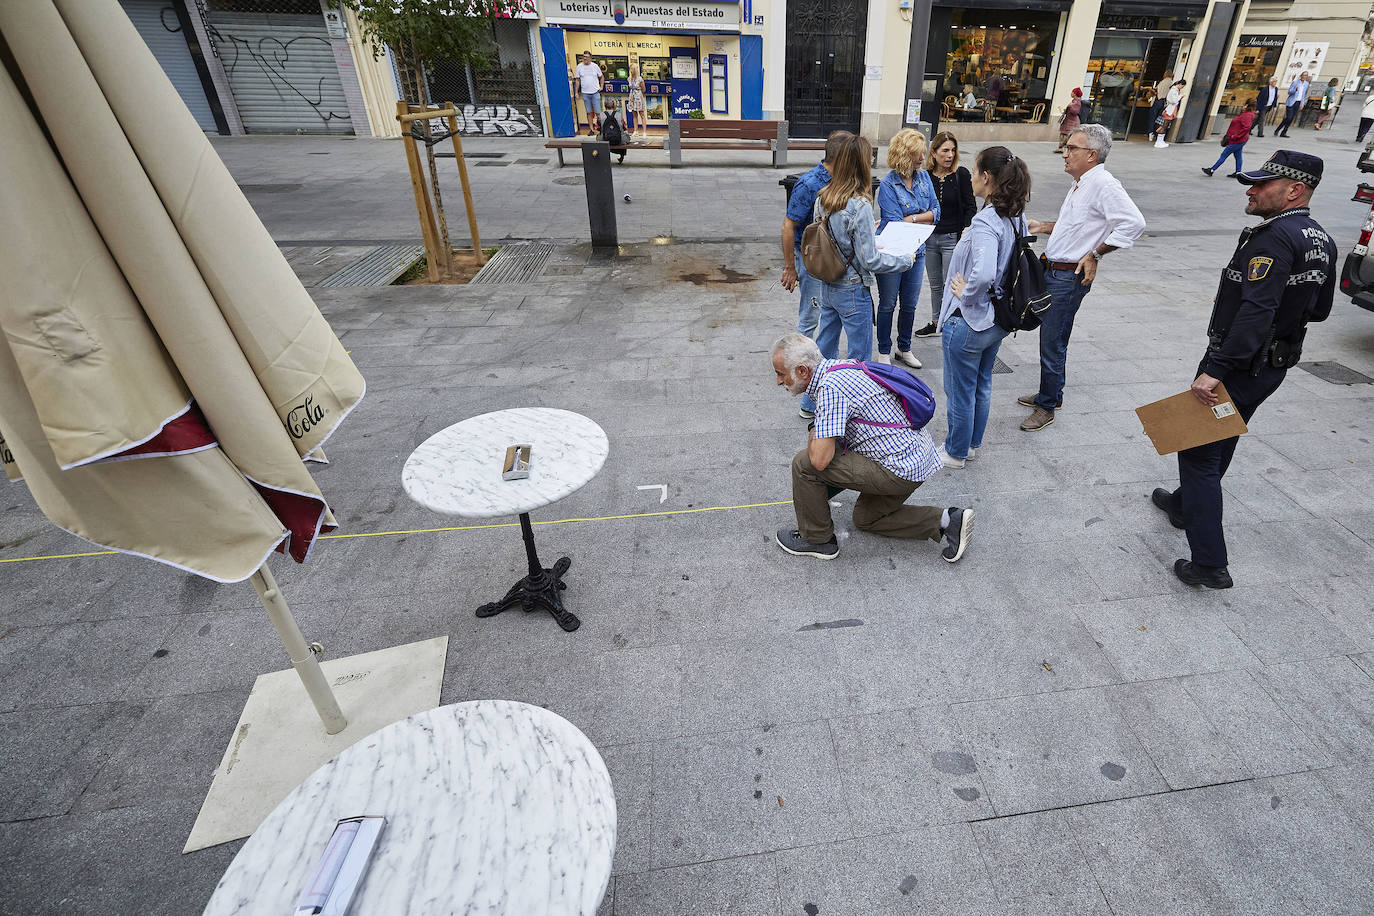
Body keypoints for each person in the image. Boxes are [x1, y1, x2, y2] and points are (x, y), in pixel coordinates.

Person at [1151, 151, 1335, 589]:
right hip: (1272, 365)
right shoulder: (1321, 238)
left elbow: (1256, 311)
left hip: (1236, 364)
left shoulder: (1274, 238)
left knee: (1196, 452)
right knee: (1226, 433)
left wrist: (1215, 369)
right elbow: (1322, 310)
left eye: (1260, 185)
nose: (1250, 191)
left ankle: (1210, 563)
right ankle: (1182, 506)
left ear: (1294, 190)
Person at [770, 333, 974, 563]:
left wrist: (817, 425)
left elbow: (819, 461)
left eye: (780, 373)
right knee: (866, 518)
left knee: (804, 464)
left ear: (801, 371)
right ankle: (949, 521)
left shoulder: (830, 389)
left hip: (897, 469)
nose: (778, 381)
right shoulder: (841, 366)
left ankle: (818, 539)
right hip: (917, 461)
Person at [1021, 124, 1146, 431]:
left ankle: (1047, 405)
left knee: (1052, 340)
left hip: (1067, 277)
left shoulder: (1103, 183)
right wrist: (1043, 226)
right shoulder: (1081, 182)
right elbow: (1078, 226)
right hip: (1055, 270)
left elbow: (1134, 223)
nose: (1065, 152)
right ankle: (1053, 393)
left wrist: (1096, 254)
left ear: (1091, 154)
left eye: (1071, 148)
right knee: (1054, 337)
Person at [797, 133, 915, 419]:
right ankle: (852, 409)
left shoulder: (824, 198)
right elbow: (870, 259)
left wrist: (866, 230)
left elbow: (830, 237)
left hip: (828, 285)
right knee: (859, 355)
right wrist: (905, 260)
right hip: (853, 289)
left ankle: (811, 404)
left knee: (824, 346)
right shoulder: (859, 205)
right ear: (860, 164)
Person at [936, 147, 1033, 469]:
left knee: (960, 390)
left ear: (986, 178)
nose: (972, 177)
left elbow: (986, 271)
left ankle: (955, 452)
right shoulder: (1015, 218)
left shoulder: (986, 220)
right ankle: (970, 444)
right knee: (981, 385)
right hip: (997, 320)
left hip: (971, 320)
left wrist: (966, 295)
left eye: (975, 171)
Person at [781, 131, 850, 360]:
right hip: (811, 259)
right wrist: (790, 267)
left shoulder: (843, 181)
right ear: (841, 158)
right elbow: (788, 226)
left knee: (830, 312)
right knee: (810, 314)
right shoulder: (809, 184)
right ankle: (800, 362)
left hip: (835, 260)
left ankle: (823, 359)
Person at [874, 129, 939, 368]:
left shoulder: (924, 179)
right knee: (888, 303)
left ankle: (904, 348)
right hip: (892, 252)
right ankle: (883, 350)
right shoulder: (889, 185)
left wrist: (910, 219)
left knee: (909, 304)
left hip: (917, 252)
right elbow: (892, 221)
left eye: (922, 153)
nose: (922, 159)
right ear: (903, 155)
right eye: (916, 154)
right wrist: (923, 217)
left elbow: (937, 212)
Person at [919, 131, 976, 339]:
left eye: (953, 150)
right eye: (945, 151)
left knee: (951, 283)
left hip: (953, 238)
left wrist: (967, 228)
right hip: (930, 238)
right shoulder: (924, 176)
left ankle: (952, 321)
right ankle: (936, 322)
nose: (950, 155)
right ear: (933, 153)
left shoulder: (961, 175)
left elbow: (971, 206)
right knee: (935, 284)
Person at [1202, 99, 1256, 178]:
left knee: (1224, 155)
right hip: (1239, 139)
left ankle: (1212, 170)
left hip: (1237, 140)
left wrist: (1235, 136)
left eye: (1244, 104)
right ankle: (1238, 173)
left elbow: (1246, 128)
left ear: (1247, 105)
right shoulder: (1246, 114)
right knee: (1238, 156)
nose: (1243, 106)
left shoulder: (1247, 115)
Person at [575, 51, 604, 135]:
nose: (585, 58)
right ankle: (591, 129)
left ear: (590, 58)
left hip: (595, 92)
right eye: (584, 56)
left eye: (587, 57)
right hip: (585, 93)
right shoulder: (579, 67)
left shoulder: (595, 66)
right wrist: (576, 92)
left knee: (598, 112)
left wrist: (601, 86)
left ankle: (601, 129)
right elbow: (577, 80)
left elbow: (601, 77)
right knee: (589, 112)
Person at [1274, 71, 1310, 138]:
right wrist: (1295, 90)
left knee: (1290, 119)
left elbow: (1303, 94)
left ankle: (1283, 132)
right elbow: (1289, 92)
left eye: (1305, 75)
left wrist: (1302, 103)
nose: (1304, 76)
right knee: (1289, 117)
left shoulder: (1306, 84)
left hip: (1298, 102)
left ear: (1306, 77)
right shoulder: (1295, 82)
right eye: (1303, 75)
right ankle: (1278, 129)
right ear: (1301, 75)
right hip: (1291, 102)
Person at [1155, 79, 1187, 148]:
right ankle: (1159, 141)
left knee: (1165, 125)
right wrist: (1180, 96)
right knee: (1165, 125)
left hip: (1170, 110)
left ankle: (1160, 140)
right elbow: (1173, 100)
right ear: (1180, 84)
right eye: (1182, 86)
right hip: (1169, 110)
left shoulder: (1174, 90)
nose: (1182, 88)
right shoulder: (1173, 91)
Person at [1148, 72, 1174, 142]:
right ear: (1172, 75)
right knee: (1161, 119)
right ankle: (1158, 134)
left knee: (1152, 117)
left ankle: (1151, 133)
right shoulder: (1172, 83)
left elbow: (1155, 92)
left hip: (1157, 101)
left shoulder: (1161, 82)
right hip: (1165, 103)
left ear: (1165, 75)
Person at [600, 99, 628, 163]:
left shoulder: (601, 115)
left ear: (605, 106)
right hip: (618, 140)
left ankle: (605, 157)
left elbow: (598, 128)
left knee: (599, 137)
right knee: (624, 134)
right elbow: (624, 127)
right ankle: (621, 156)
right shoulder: (619, 114)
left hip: (605, 139)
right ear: (614, 106)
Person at [1055, 88, 1083, 152]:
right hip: (1069, 120)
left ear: (1075, 94)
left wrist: (1070, 106)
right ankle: (1062, 148)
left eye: (1072, 92)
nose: (1071, 93)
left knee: (1067, 135)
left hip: (1072, 122)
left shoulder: (1077, 102)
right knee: (1064, 134)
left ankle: (1067, 148)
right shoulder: (1075, 100)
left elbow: (1075, 111)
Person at [627, 64, 648, 141]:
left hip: (638, 96)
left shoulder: (640, 79)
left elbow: (644, 89)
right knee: (634, 114)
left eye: (633, 68)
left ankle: (644, 132)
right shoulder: (629, 79)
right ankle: (635, 131)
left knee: (642, 114)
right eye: (631, 68)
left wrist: (639, 95)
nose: (631, 70)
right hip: (632, 97)